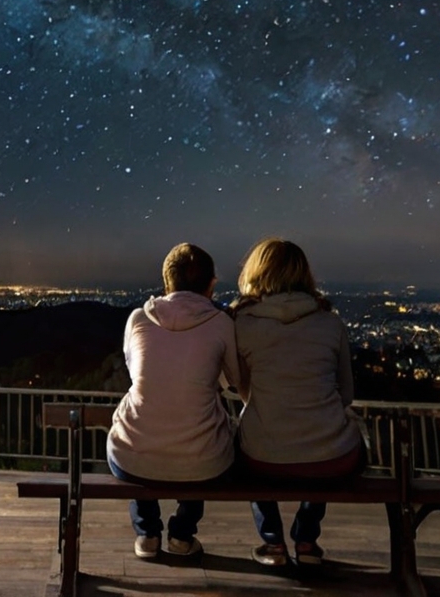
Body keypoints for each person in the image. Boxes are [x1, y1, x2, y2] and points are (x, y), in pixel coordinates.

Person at [232, 238, 364, 567]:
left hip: (263, 456)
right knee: (342, 445)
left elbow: (240, 389)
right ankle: (306, 538)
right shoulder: (330, 323)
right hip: (331, 457)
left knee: (241, 445)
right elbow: (346, 394)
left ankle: (273, 542)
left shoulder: (244, 325)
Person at [106, 242, 243, 559]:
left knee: (136, 437)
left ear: (167, 282)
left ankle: (148, 532)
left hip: (132, 456)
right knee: (206, 443)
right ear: (211, 285)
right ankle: (182, 534)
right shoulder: (221, 324)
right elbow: (236, 380)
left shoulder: (138, 319)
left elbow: (139, 375)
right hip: (203, 462)